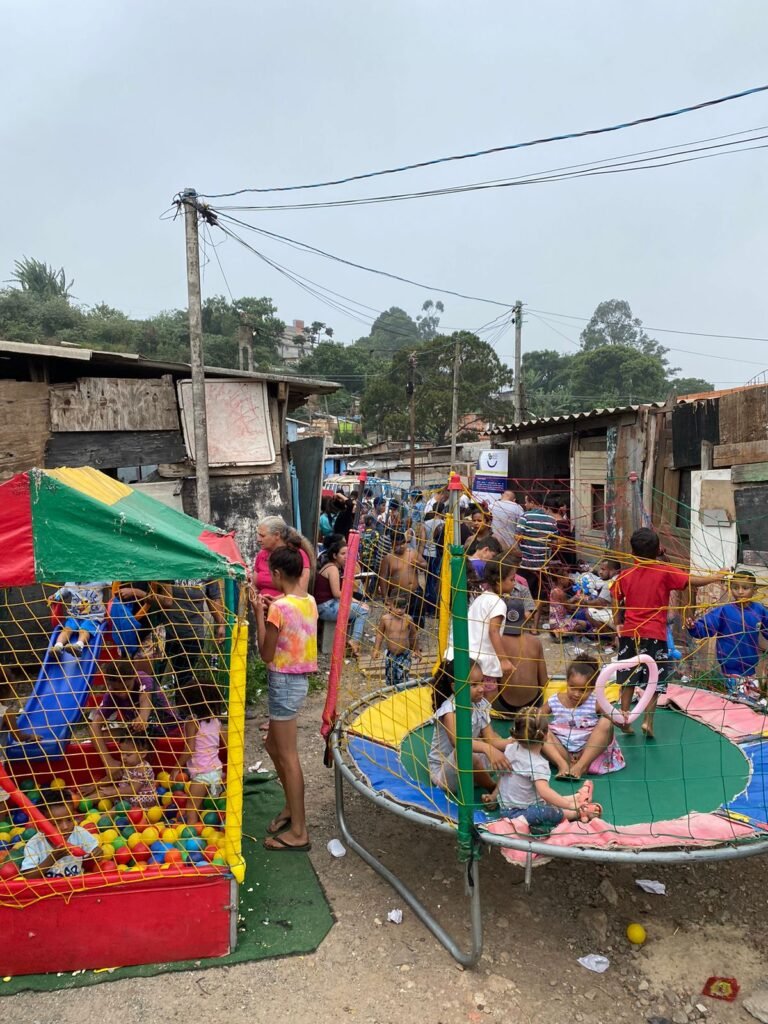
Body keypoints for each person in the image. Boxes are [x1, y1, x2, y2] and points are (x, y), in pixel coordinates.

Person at [614, 527, 723, 738]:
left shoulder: (624, 575)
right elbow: (693, 580)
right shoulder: (665, 572)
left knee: (628, 677)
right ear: (657, 551)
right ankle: (648, 722)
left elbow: (616, 599)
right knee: (653, 679)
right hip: (655, 635)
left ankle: (625, 718)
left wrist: (617, 622)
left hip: (630, 634)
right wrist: (716, 576)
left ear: (633, 552)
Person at [255, 543, 318, 853]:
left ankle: (299, 831)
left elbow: (266, 652)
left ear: (278, 573)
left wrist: (259, 614)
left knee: (289, 757)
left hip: (283, 683)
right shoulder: (310, 601)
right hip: (298, 682)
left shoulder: (279, 607)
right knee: (272, 745)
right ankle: (292, 808)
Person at [485, 708, 601, 826]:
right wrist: (570, 806)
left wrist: (494, 796)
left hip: (505, 808)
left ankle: (576, 797)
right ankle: (576, 813)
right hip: (520, 814)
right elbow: (544, 792)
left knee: (545, 800)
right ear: (546, 736)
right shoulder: (538, 764)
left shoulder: (510, 748)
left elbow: (503, 775)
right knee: (549, 811)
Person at [427, 660, 510, 796]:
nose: (482, 688)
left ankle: (510, 782)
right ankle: (493, 789)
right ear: (455, 687)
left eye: (482, 681)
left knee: (512, 748)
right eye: (474, 685)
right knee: (465, 754)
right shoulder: (450, 711)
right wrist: (487, 749)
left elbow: (492, 740)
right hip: (446, 774)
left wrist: (516, 742)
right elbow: (457, 742)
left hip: (471, 767)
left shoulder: (480, 704)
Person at [686, 569, 768, 702]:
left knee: (752, 701)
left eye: (745, 588)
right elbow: (708, 626)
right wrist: (694, 627)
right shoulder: (725, 610)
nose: (740, 591)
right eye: (735, 587)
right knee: (739, 702)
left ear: (755, 589)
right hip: (730, 667)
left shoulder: (759, 610)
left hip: (750, 669)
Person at [90, 655, 179, 771]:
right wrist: (108, 761)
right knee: (101, 737)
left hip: (170, 729)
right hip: (140, 735)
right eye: (116, 689)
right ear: (108, 684)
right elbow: (95, 725)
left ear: (133, 677)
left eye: (126, 687)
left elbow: (145, 698)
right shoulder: (111, 695)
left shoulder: (142, 678)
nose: (122, 693)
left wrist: (142, 717)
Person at [445, 554, 517, 698]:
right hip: (482, 665)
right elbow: (493, 631)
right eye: (511, 579)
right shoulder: (498, 603)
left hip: (463, 659)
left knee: (465, 703)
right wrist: (503, 660)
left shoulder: (481, 598)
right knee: (486, 703)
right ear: (498, 581)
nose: (514, 583)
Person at [542, 658, 625, 780]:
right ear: (566, 682)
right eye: (572, 687)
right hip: (561, 750)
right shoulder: (554, 700)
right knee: (539, 729)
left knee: (606, 722)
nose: (576, 694)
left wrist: (623, 718)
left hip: (588, 752)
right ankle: (563, 765)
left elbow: (622, 725)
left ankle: (581, 766)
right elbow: (536, 717)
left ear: (592, 688)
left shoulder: (596, 702)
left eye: (583, 690)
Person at [154, 578, 226, 691]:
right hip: (164, 635)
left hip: (192, 635)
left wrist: (221, 624)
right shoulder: (168, 565)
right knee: (154, 679)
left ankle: (180, 707)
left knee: (184, 682)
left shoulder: (205, 569)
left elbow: (214, 598)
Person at [21, 789, 102, 878]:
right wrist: (52, 859)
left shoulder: (79, 833)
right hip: (49, 890)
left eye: (69, 819)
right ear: (41, 828)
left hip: (77, 885)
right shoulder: (34, 845)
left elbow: (95, 852)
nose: (65, 827)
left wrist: (96, 853)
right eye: (56, 823)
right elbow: (28, 876)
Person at [314, 534, 370, 657]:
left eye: (348, 554)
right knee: (363, 611)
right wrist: (354, 601)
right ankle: (354, 641)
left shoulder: (333, 567)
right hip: (326, 607)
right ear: (334, 555)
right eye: (343, 554)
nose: (346, 557)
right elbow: (337, 593)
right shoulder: (332, 568)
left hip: (327, 605)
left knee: (360, 606)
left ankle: (352, 641)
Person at [182, 680, 225, 824]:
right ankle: (207, 827)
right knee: (205, 805)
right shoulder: (216, 720)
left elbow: (189, 748)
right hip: (217, 771)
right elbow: (225, 742)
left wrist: (176, 766)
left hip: (202, 774)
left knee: (192, 806)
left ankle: (192, 833)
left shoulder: (192, 721)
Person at [495, 595, 547, 715]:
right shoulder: (535, 642)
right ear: (525, 617)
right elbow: (544, 682)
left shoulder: (497, 642)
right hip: (534, 703)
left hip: (503, 705)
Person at [515, 493, 559, 633]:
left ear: (532, 502)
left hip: (526, 564)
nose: (525, 505)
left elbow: (517, 537)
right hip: (543, 565)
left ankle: (521, 625)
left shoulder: (525, 517)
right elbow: (555, 541)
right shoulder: (551, 520)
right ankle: (534, 628)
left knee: (520, 593)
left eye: (527, 502)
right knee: (539, 596)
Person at [81, 730, 157, 808]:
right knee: (103, 791)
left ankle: (101, 818)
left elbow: (132, 790)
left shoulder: (142, 768)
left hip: (140, 803)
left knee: (116, 806)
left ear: (143, 754)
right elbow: (112, 777)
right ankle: (79, 803)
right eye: (122, 753)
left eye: (128, 754)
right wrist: (94, 786)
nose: (123, 757)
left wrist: (113, 792)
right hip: (126, 797)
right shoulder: (127, 763)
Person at [253, 517, 313, 599]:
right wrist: (256, 598)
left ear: (277, 535)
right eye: (258, 535)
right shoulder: (262, 554)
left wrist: (273, 601)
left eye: (262, 536)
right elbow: (254, 584)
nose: (258, 539)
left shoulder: (296, 555)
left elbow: (301, 591)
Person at [378, 531, 427, 628]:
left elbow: (425, 565)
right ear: (392, 544)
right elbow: (382, 578)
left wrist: (418, 564)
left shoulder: (412, 553)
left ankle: (413, 639)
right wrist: (385, 597)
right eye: (397, 544)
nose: (401, 547)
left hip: (415, 592)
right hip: (398, 595)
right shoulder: (388, 558)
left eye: (403, 544)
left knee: (416, 623)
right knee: (399, 623)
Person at [372, 593, 420, 688]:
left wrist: (416, 650)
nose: (399, 610)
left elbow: (413, 634)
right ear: (391, 605)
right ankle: (392, 696)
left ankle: (402, 695)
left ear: (406, 607)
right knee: (390, 678)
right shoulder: (385, 619)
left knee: (402, 679)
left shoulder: (408, 619)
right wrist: (376, 649)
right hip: (390, 655)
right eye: (397, 607)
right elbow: (379, 634)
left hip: (404, 654)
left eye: (402, 608)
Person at [50, 581, 110, 655]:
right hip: (75, 616)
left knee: (84, 629)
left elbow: (112, 583)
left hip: (93, 616)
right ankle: (58, 646)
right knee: (67, 629)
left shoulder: (98, 579)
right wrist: (55, 596)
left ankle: (79, 645)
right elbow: (62, 592)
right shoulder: (71, 583)